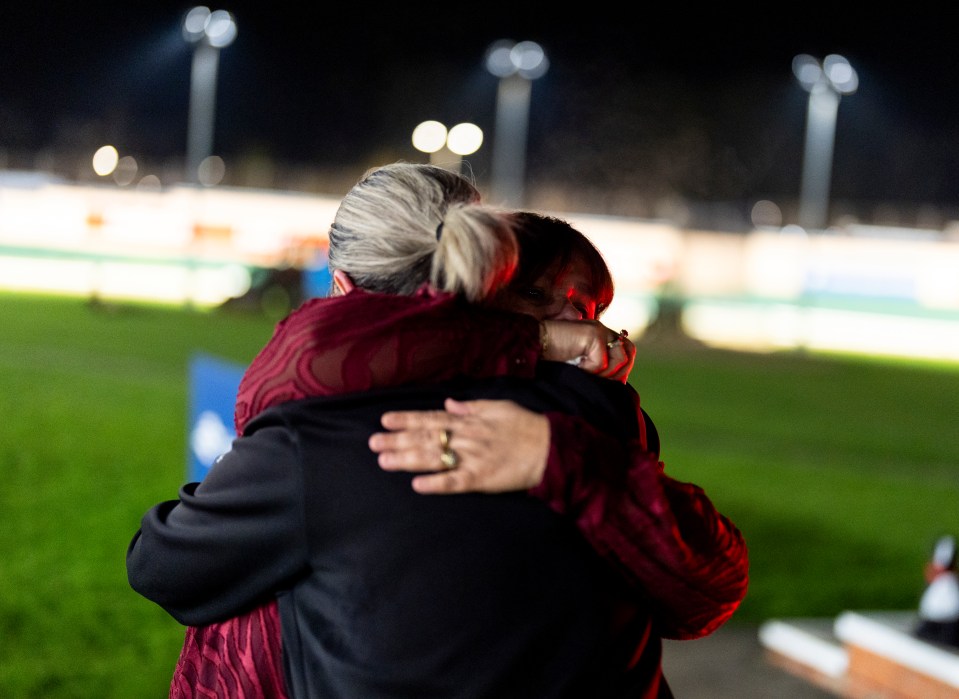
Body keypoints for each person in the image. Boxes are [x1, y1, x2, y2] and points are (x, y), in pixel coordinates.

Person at [128, 163, 748, 698]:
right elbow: (703, 593)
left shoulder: (311, 435)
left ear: (341, 287)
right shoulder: (599, 406)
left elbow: (161, 566)